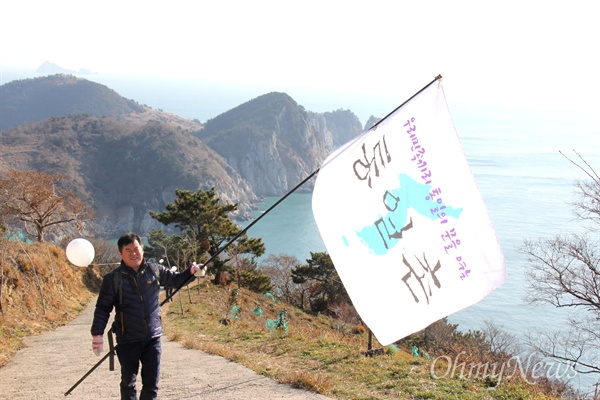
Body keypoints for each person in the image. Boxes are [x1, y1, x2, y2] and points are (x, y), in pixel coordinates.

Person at [90, 232, 202, 400]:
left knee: (151, 385)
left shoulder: (154, 270)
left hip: (152, 337)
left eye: (136, 248)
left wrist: (192, 272)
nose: (133, 253)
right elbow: (102, 308)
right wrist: (97, 334)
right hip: (127, 339)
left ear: (142, 249)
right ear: (121, 254)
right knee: (128, 383)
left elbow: (176, 279)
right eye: (128, 250)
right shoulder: (113, 278)